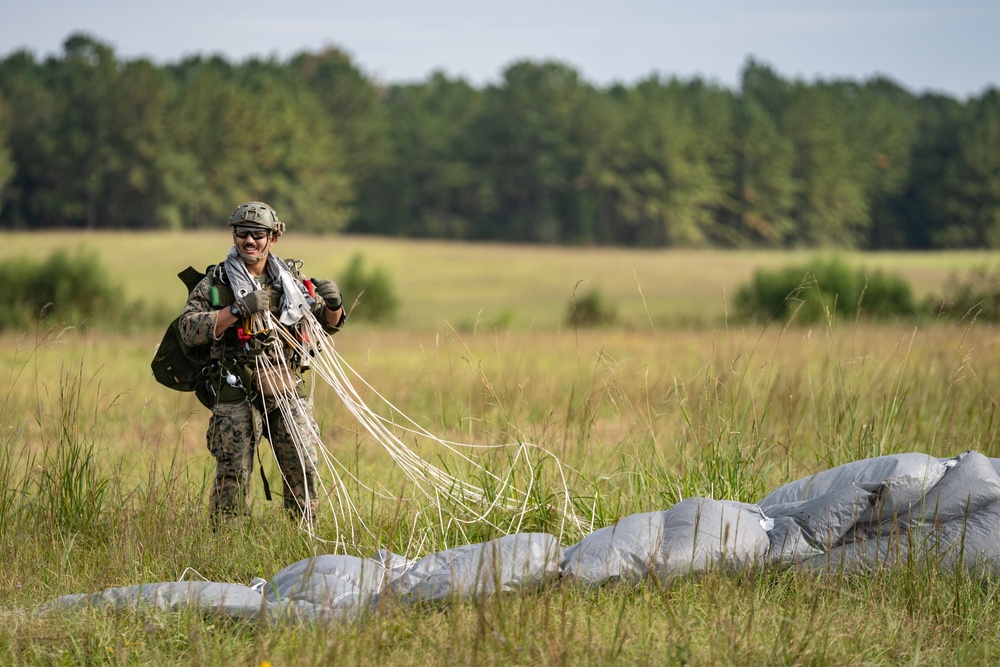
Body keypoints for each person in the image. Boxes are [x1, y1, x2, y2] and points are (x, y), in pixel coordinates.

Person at [178, 201, 346, 525]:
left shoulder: (292, 283)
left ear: (273, 238)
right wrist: (236, 310)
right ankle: (226, 543)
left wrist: (334, 305)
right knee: (233, 468)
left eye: (258, 234)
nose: (249, 241)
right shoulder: (217, 282)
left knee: (304, 459)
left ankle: (302, 536)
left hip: (283, 381)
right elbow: (188, 328)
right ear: (234, 235)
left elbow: (326, 325)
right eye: (242, 233)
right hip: (235, 385)